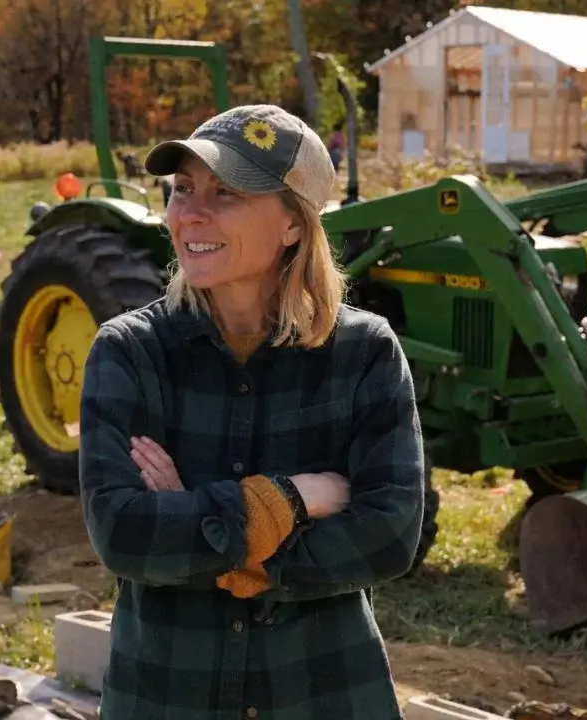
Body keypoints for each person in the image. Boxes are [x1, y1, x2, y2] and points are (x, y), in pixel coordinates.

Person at [78, 103, 425, 720]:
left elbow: (389, 536)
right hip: (167, 695)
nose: (191, 213)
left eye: (227, 193)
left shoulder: (363, 352)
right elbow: (122, 533)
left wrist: (200, 524)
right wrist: (288, 501)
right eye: (183, 189)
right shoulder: (130, 352)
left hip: (322, 696)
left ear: (293, 224)